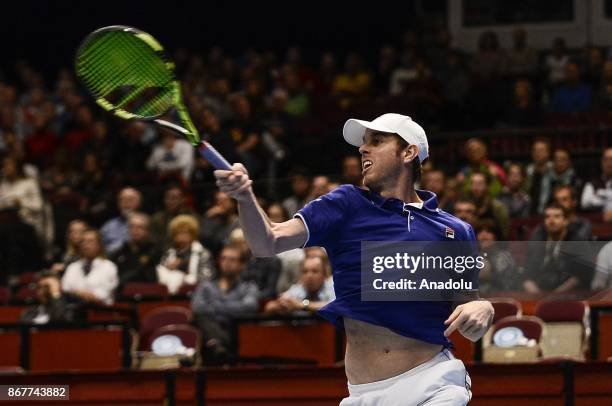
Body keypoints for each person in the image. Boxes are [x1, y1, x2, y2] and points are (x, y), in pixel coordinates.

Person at [214, 113, 493, 405]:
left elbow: (467, 312)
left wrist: (482, 307)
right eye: (363, 143)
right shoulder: (345, 205)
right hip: (363, 395)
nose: (363, 149)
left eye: (377, 141)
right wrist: (244, 197)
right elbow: (266, 242)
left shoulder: (455, 231)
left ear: (408, 152)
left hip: (433, 384)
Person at [191, 244, 259, 364]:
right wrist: (232, 306)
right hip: (207, 338)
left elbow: (250, 307)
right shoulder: (206, 286)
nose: (227, 263)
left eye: (232, 260)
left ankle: (217, 343)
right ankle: (217, 345)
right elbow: (197, 307)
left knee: (207, 321)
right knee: (201, 318)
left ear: (242, 265)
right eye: (223, 258)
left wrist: (214, 305)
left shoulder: (248, 287)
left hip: (236, 334)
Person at [523, 203, 593, 293]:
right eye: (547, 217)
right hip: (538, 292)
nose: (551, 221)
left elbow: (579, 277)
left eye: (556, 216)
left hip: (568, 295)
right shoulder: (537, 239)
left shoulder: (577, 240)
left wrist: (555, 296)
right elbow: (527, 275)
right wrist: (536, 295)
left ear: (566, 221)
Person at [156, 214, 214, 295]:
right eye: (178, 232)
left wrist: (184, 274)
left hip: (196, 292)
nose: (182, 235)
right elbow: (160, 274)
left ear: (193, 234)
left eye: (185, 232)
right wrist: (168, 268)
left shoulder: (202, 253)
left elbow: (207, 277)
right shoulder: (168, 253)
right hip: (170, 293)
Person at [61, 228, 119, 305]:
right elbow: (65, 289)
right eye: (83, 241)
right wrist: (83, 294)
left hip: (101, 312)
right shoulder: (72, 267)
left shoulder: (109, 267)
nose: (86, 245)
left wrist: (77, 293)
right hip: (74, 310)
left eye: (90, 241)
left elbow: (102, 296)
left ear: (99, 245)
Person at [264, 256, 335, 315]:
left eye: (314, 271)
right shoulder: (298, 288)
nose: (309, 276)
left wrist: (302, 305)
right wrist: (281, 305)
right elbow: (269, 307)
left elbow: (335, 307)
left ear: (324, 274)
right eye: (305, 271)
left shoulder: (333, 286)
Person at [111, 212, 161, 288]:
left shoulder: (155, 252)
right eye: (132, 227)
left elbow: (152, 278)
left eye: (139, 227)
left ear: (147, 231)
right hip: (122, 295)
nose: (135, 230)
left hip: (148, 294)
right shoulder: (118, 253)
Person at [100, 187, 142, 255]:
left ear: (138, 203)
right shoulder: (108, 226)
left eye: (130, 200)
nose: (126, 203)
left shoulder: (147, 223)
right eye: (122, 200)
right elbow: (100, 250)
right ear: (118, 203)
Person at [581, 147, 612, 220]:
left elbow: (592, 201)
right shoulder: (592, 182)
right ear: (602, 162)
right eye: (606, 159)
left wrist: (599, 196)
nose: (609, 163)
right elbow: (585, 203)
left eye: (611, 159)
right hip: (600, 221)